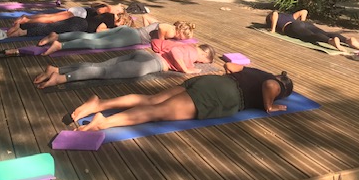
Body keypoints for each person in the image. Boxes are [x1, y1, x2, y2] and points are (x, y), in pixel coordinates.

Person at [69, 62, 294, 132]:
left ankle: (100, 103)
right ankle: (103, 122)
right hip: (221, 94)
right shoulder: (275, 83)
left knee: (151, 99)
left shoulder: (257, 70)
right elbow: (270, 86)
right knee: (156, 112)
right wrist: (270, 106)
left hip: (211, 81)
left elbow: (230, 65)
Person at [32, 39, 216, 89]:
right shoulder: (193, 52)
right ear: (204, 54)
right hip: (152, 64)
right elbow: (175, 54)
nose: (201, 62)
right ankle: (61, 78)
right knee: (104, 72)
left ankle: (56, 69)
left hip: (143, 55)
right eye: (204, 60)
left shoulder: (186, 45)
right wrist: (187, 70)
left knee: (100, 66)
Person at [38, 20, 196, 56]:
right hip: (133, 37)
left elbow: (147, 17)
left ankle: (57, 36)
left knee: (91, 36)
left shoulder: (167, 24)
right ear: (181, 31)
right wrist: (162, 41)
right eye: (183, 37)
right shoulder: (170, 30)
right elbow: (160, 31)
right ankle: (60, 45)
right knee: (96, 44)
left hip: (128, 30)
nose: (181, 39)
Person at [6, 3, 125, 37]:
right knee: (51, 20)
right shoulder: (110, 15)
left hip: (82, 12)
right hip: (81, 14)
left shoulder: (109, 15)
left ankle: (26, 20)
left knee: (50, 18)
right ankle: (26, 20)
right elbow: (100, 28)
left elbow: (96, 9)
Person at [266, 9, 359, 51]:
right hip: (303, 23)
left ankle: (330, 41)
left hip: (292, 26)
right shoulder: (290, 16)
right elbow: (304, 11)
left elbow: (274, 13)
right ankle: (347, 40)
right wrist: (302, 23)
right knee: (325, 32)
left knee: (310, 36)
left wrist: (273, 29)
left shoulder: (275, 16)